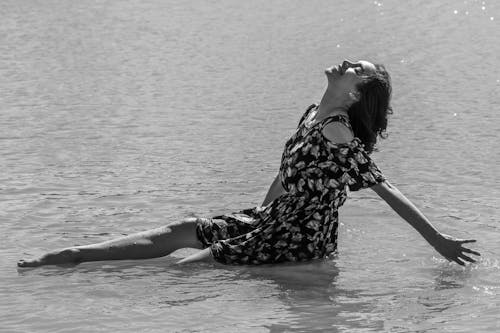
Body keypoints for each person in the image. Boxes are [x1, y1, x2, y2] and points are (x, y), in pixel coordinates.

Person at [17, 60, 480, 268]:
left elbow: (385, 188)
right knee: (181, 229)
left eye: (355, 69)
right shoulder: (313, 115)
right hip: (274, 220)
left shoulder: (337, 132)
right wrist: (253, 223)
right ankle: (73, 258)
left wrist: (436, 240)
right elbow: (285, 176)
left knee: (189, 267)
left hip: (299, 238)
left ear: (356, 93)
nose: (344, 63)